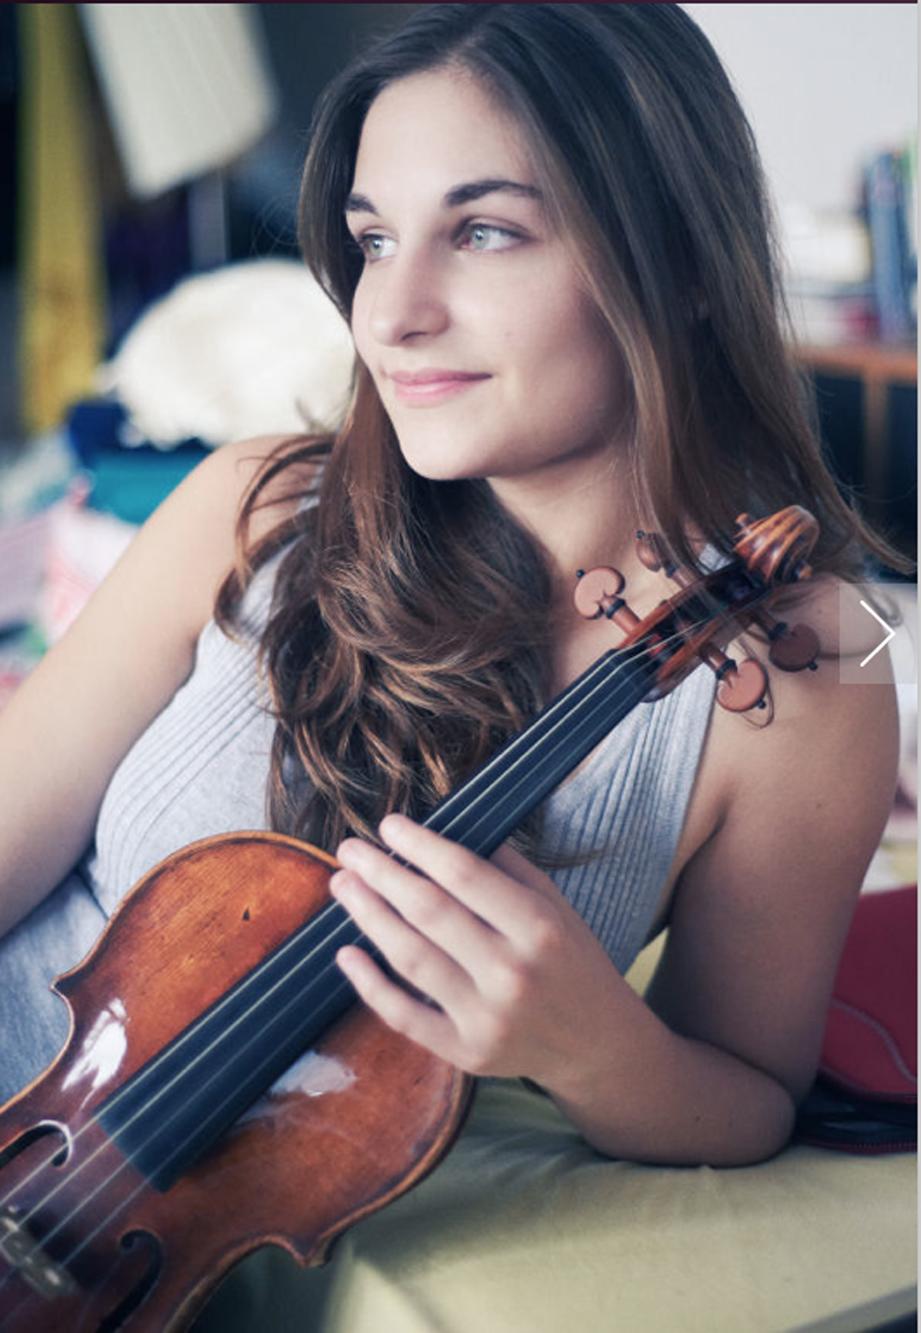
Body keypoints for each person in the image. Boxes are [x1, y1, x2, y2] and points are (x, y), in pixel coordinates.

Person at [0, 5, 912, 1328]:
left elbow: (744, 1090)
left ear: (676, 259)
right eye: (373, 240)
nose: (394, 312)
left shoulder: (801, 675)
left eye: (482, 232)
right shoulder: (253, 506)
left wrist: (591, 1046)